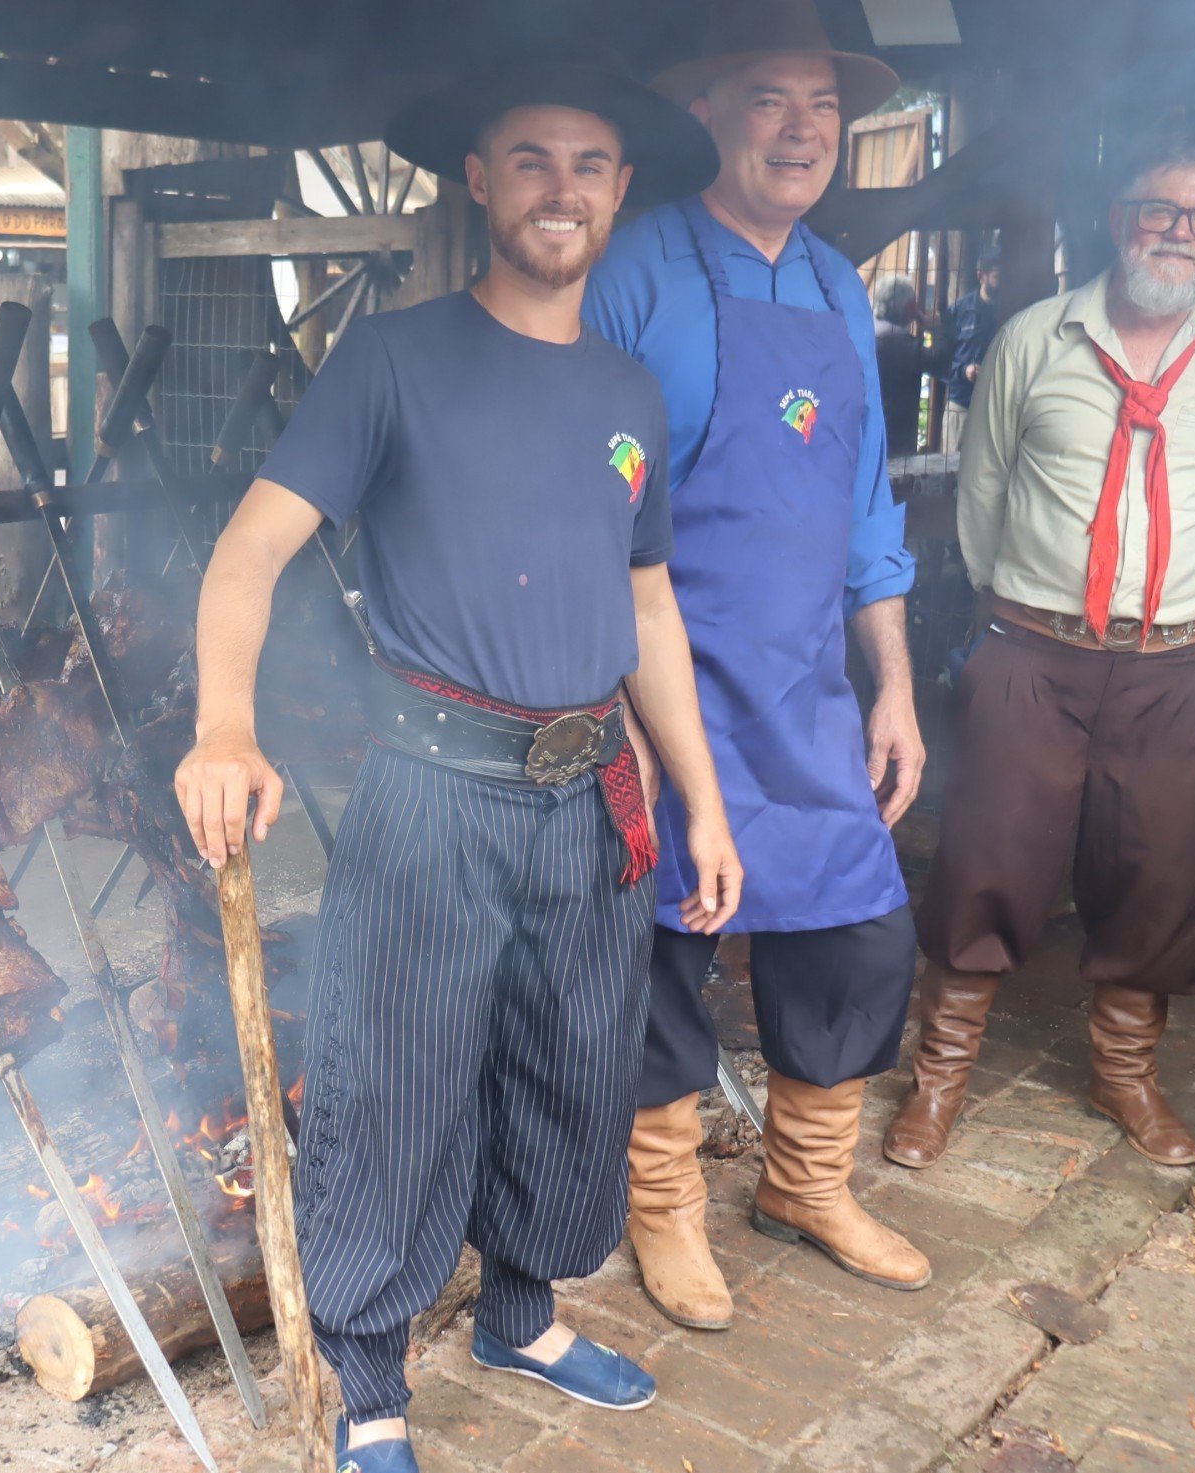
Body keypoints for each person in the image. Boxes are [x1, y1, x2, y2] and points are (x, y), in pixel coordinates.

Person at [175, 62, 741, 1473]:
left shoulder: (630, 391)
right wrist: (223, 726)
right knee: (398, 1079)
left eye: (592, 163)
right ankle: (368, 1380)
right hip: (432, 790)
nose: (566, 187)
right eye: (534, 159)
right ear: (479, 180)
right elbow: (248, 549)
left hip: (592, 793)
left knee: (571, 1064)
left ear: (621, 190)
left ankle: (525, 1314)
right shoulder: (393, 360)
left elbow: (650, 606)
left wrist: (706, 798)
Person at [584, 0, 933, 1335]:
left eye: (824, 107)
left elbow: (865, 512)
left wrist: (891, 683)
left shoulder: (842, 286)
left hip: (803, 688)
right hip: (659, 678)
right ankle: (665, 1206)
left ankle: (805, 1182)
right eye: (771, 100)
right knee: (667, 940)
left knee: (856, 929)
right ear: (712, 113)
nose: (802, 131)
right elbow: (594, 489)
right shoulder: (641, 270)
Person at [886, 130, 1195, 1172]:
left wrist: (1191, 597)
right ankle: (939, 1078)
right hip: (1034, 649)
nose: (1180, 233)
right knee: (987, 856)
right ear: (1122, 220)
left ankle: (1127, 1075)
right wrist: (1031, 605)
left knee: (1161, 867)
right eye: (1160, 210)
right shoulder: (1036, 336)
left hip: (1183, 663)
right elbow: (982, 490)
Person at [939, 244, 1001, 449]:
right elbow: (941, 360)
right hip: (961, 405)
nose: (1003, 283)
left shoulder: (1010, 311)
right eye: (997, 276)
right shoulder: (959, 310)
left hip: (995, 410)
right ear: (981, 276)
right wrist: (964, 371)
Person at [872, 272, 929, 453]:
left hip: (874, 428)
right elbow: (940, 362)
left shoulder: (871, 328)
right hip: (895, 436)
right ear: (907, 307)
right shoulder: (897, 340)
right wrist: (934, 326)